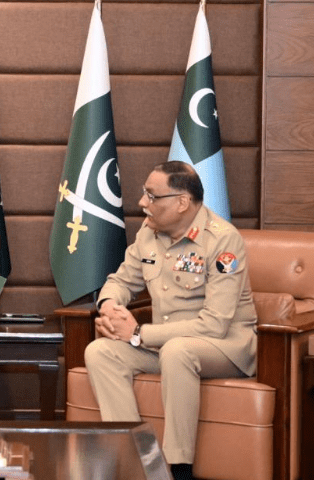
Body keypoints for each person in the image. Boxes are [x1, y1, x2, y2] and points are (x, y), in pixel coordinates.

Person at [84, 161, 256, 480]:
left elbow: (214, 325)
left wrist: (136, 332)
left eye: (152, 196)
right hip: (164, 345)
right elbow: (121, 281)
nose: (142, 203)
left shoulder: (222, 241)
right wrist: (109, 307)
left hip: (224, 347)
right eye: (144, 193)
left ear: (181, 202)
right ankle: (135, 459)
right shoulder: (149, 234)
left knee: (177, 351)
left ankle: (178, 469)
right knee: (100, 351)